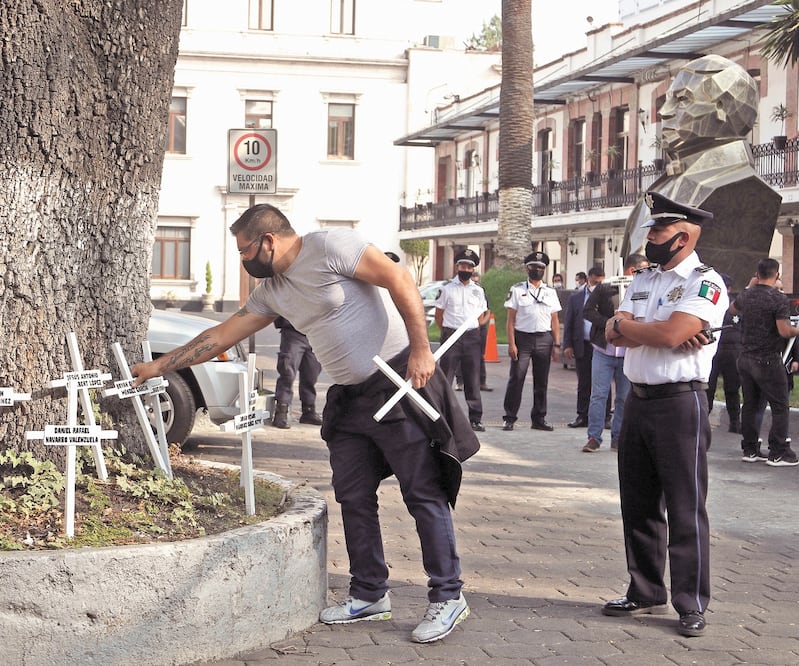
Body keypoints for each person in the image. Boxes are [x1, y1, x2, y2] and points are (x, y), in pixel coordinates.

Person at [131, 203, 479, 644]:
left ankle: (448, 595)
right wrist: (160, 365)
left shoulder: (333, 245)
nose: (244, 260)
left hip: (399, 381)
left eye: (245, 251)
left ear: (268, 241)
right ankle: (370, 592)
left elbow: (399, 278)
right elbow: (220, 335)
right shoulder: (272, 291)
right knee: (353, 495)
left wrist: (420, 348)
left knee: (422, 492)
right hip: (349, 398)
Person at [602, 192, 727, 638]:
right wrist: (651, 332)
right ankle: (645, 589)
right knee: (637, 502)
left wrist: (643, 330)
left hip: (681, 403)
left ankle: (691, 602)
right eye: (651, 229)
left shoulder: (704, 282)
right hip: (637, 399)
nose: (650, 236)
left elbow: (674, 331)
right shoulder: (643, 278)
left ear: (684, 235)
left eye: (658, 230)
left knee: (685, 505)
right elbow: (612, 331)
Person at [730, 258, 799, 466]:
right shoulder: (778, 299)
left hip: (744, 358)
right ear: (777, 275)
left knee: (750, 404)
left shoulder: (747, 295)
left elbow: (732, 310)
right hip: (768, 359)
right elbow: (784, 330)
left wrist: (749, 287)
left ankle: (750, 449)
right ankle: (778, 452)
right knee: (780, 406)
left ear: (757, 274)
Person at [581, 253, 649, 452]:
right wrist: (610, 324)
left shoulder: (645, 290)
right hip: (604, 349)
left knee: (623, 396)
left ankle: (618, 436)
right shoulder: (606, 287)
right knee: (599, 394)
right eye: (641, 271)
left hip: (628, 351)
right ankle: (594, 437)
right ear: (631, 270)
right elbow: (588, 310)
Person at [501, 251, 561, 431]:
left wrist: (556, 344)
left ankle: (539, 419)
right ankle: (509, 418)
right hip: (523, 339)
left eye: (541, 267)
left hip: (544, 339)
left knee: (541, 381)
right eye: (534, 267)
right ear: (527, 268)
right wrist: (512, 344)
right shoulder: (518, 290)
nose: (538, 270)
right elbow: (510, 320)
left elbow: (555, 320)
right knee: (516, 379)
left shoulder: (550, 292)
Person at [434, 249, 490, 432]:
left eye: (469, 266)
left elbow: (484, 313)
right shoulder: (446, 289)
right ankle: (442, 416)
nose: (466, 269)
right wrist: (448, 331)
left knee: (472, 378)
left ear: (473, 269)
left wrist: (475, 326)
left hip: (472, 336)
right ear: (457, 267)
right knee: (446, 377)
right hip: (451, 336)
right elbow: (439, 315)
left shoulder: (478, 291)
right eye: (463, 265)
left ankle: (475, 418)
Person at [563, 266, 605, 429]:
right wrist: (567, 344)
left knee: (602, 382)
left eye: (600, 282)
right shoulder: (576, 298)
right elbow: (569, 322)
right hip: (583, 344)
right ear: (589, 278)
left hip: (601, 345)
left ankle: (605, 416)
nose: (597, 285)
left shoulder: (608, 296)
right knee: (584, 382)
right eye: (595, 281)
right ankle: (582, 416)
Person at [705, 275, 742, 434]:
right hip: (714, 349)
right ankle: (703, 419)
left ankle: (735, 422)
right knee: (708, 387)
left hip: (732, 350)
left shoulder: (736, 304)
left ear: (729, 289)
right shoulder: (710, 302)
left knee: (732, 388)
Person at [271, 316, 323, 429]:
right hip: (293, 331)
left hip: (316, 333)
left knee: (311, 374)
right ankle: (281, 412)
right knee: (287, 374)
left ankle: (308, 411)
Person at [454, 271, 492, 393]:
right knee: (460, 356)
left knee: (479, 356)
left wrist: (481, 324)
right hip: (465, 328)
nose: (475, 282)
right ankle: (460, 382)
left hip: (479, 328)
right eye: (473, 280)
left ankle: (482, 382)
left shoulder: (480, 292)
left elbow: (487, 312)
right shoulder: (461, 291)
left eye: (477, 280)